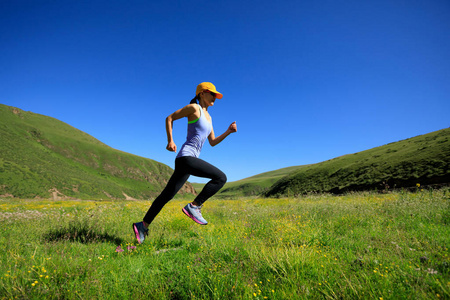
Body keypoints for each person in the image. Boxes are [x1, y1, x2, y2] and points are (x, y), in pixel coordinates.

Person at [132, 82, 237, 244]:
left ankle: (142, 225)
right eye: (212, 94)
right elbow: (170, 118)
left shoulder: (209, 117)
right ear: (202, 93)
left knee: (166, 195)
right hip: (186, 157)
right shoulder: (194, 108)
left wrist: (228, 132)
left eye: (216, 95)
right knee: (220, 178)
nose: (215, 97)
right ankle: (194, 206)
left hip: (187, 161)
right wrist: (170, 141)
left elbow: (213, 142)